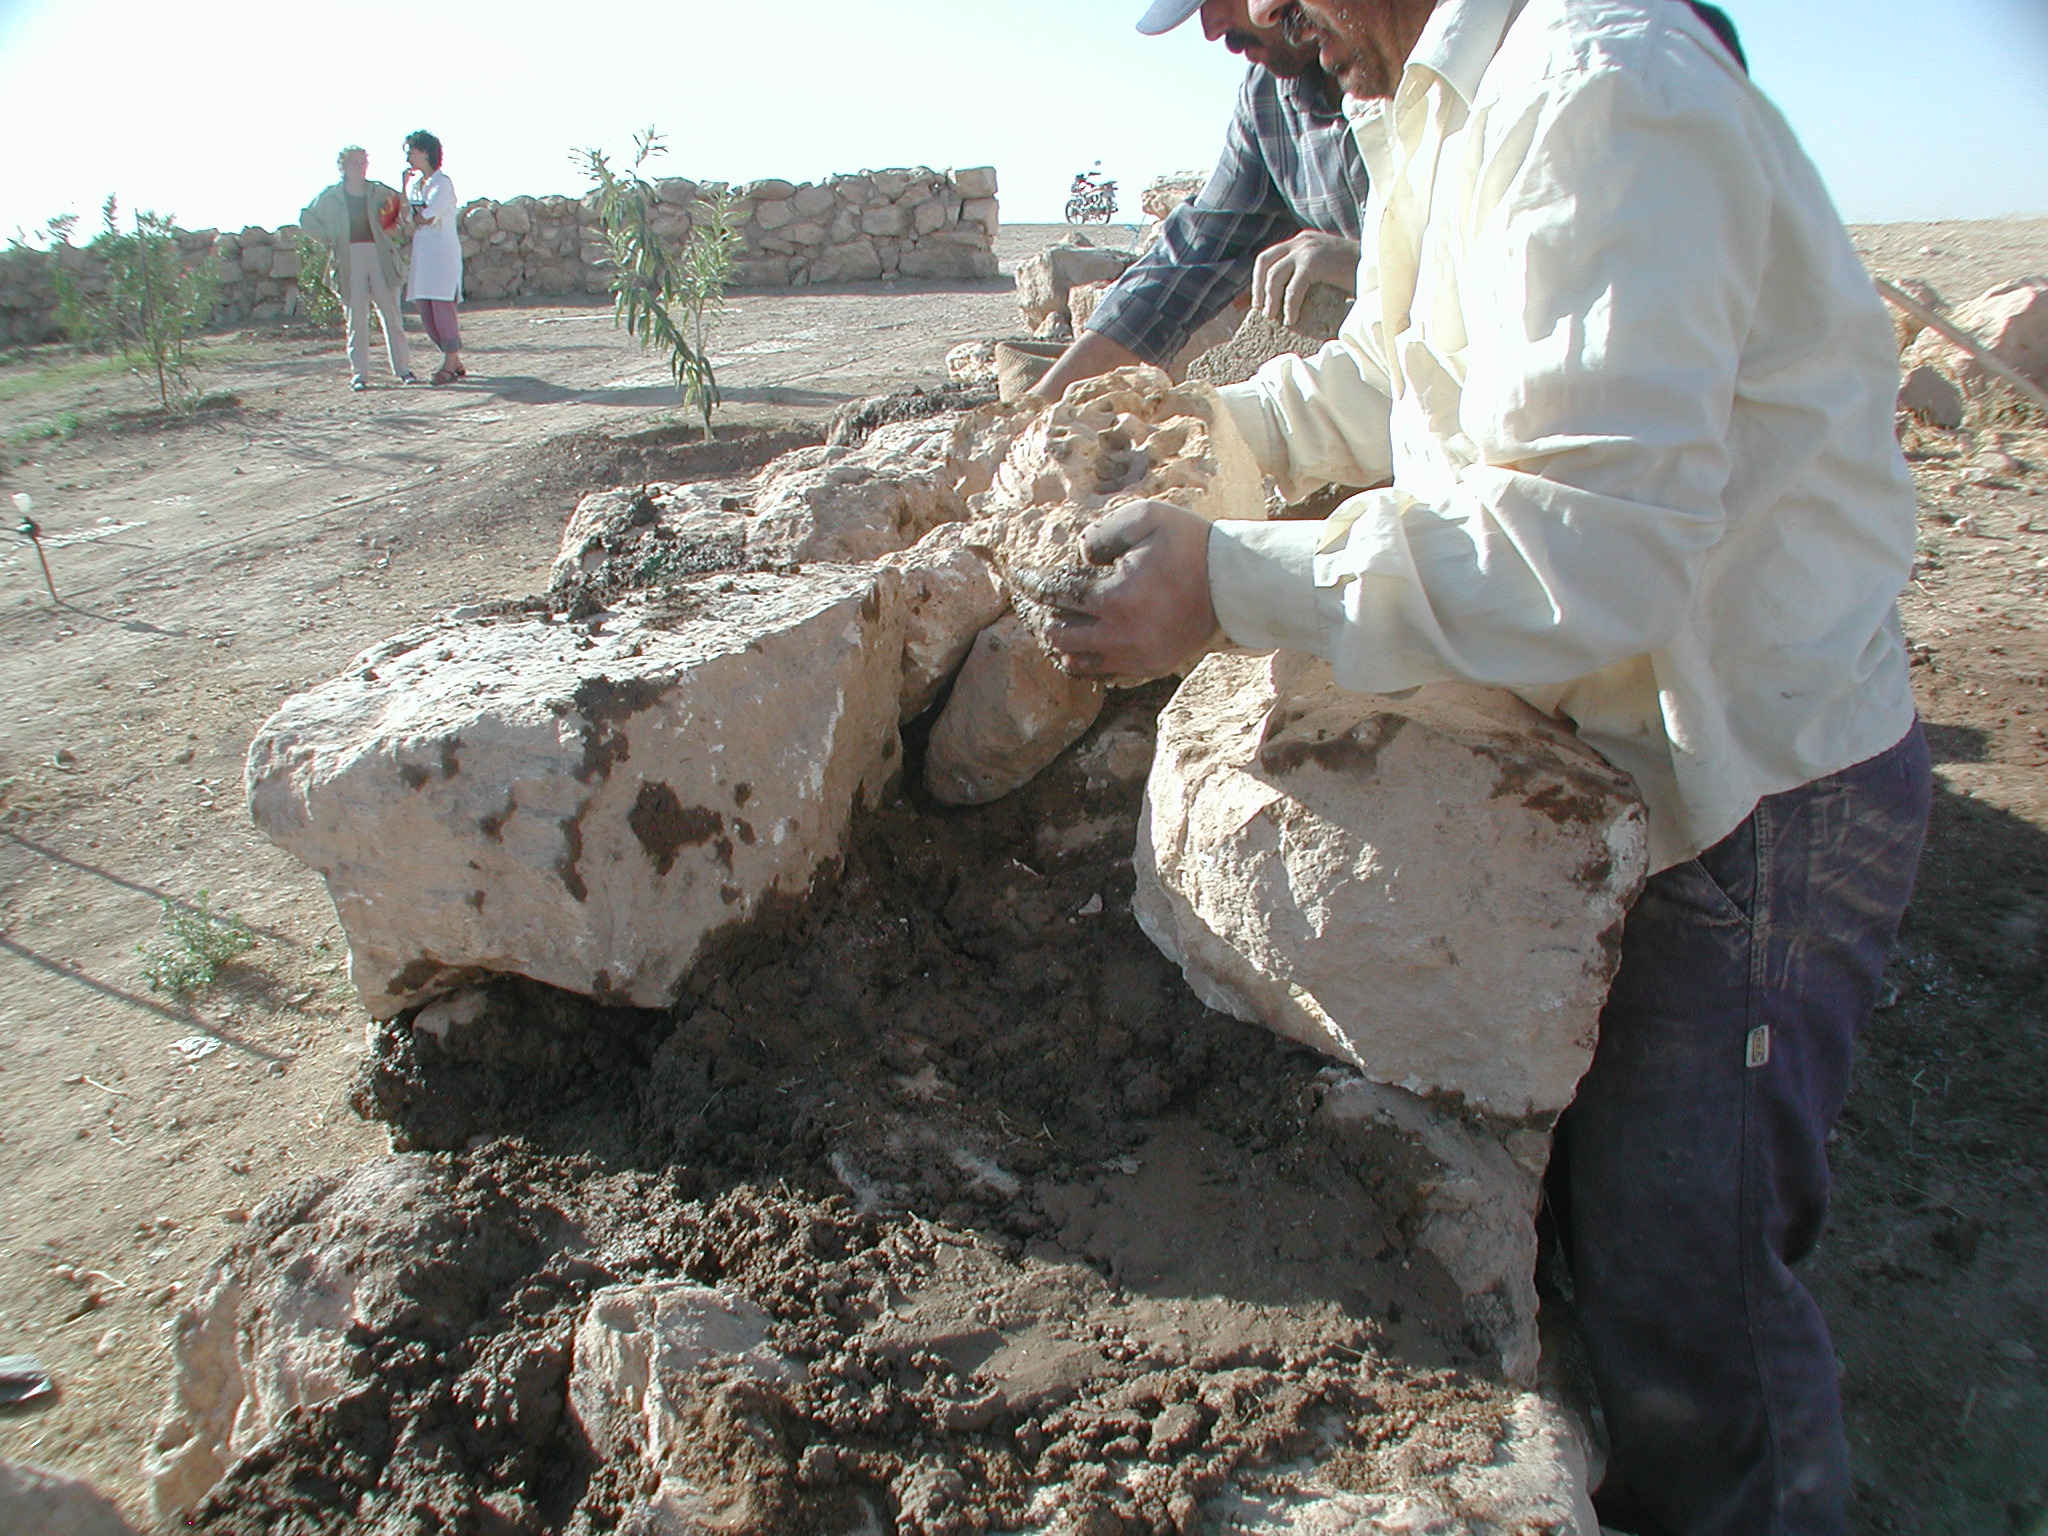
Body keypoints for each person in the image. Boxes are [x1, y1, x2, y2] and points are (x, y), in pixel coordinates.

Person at [1046, 2, 1927, 1533]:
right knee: (1628, 1240)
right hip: (1640, 757)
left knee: (1692, 1297)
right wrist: (1215, 438)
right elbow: (1406, 371)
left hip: (1754, 793)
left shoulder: (1603, 90)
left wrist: (1234, 582)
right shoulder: (1456, 99)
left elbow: (1589, 548)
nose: (1254, 28)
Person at [1025, 0, 1372, 404]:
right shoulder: (1268, 96)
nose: (1211, 29)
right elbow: (1187, 261)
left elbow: (1461, 261)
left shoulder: (1438, 62)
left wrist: (1369, 264)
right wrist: (1038, 407)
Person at [298, 147, 416, 392]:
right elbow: (307, 219)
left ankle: (403, 370)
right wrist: (330, 237)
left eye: (363, 161)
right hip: (348, 257)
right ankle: (359, 375)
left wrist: (403, 190)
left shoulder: (378, 191)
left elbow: (399, 210)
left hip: (379, 256)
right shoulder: (330, 196)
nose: (359, 166)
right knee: (356, 319)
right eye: (354, 162)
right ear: (342, 166)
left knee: (392, 316)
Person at [402, 130, 465, 385]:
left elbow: (429, 214)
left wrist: (416, 216)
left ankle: (450, 361)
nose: (408, 157)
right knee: (426, 310)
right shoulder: (417, 186)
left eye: (411, 151)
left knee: (441, 307)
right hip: (424, 255)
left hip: (441, 255)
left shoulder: (443, 184)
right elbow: (407, 214)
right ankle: (454, 360)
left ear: (425, 152)